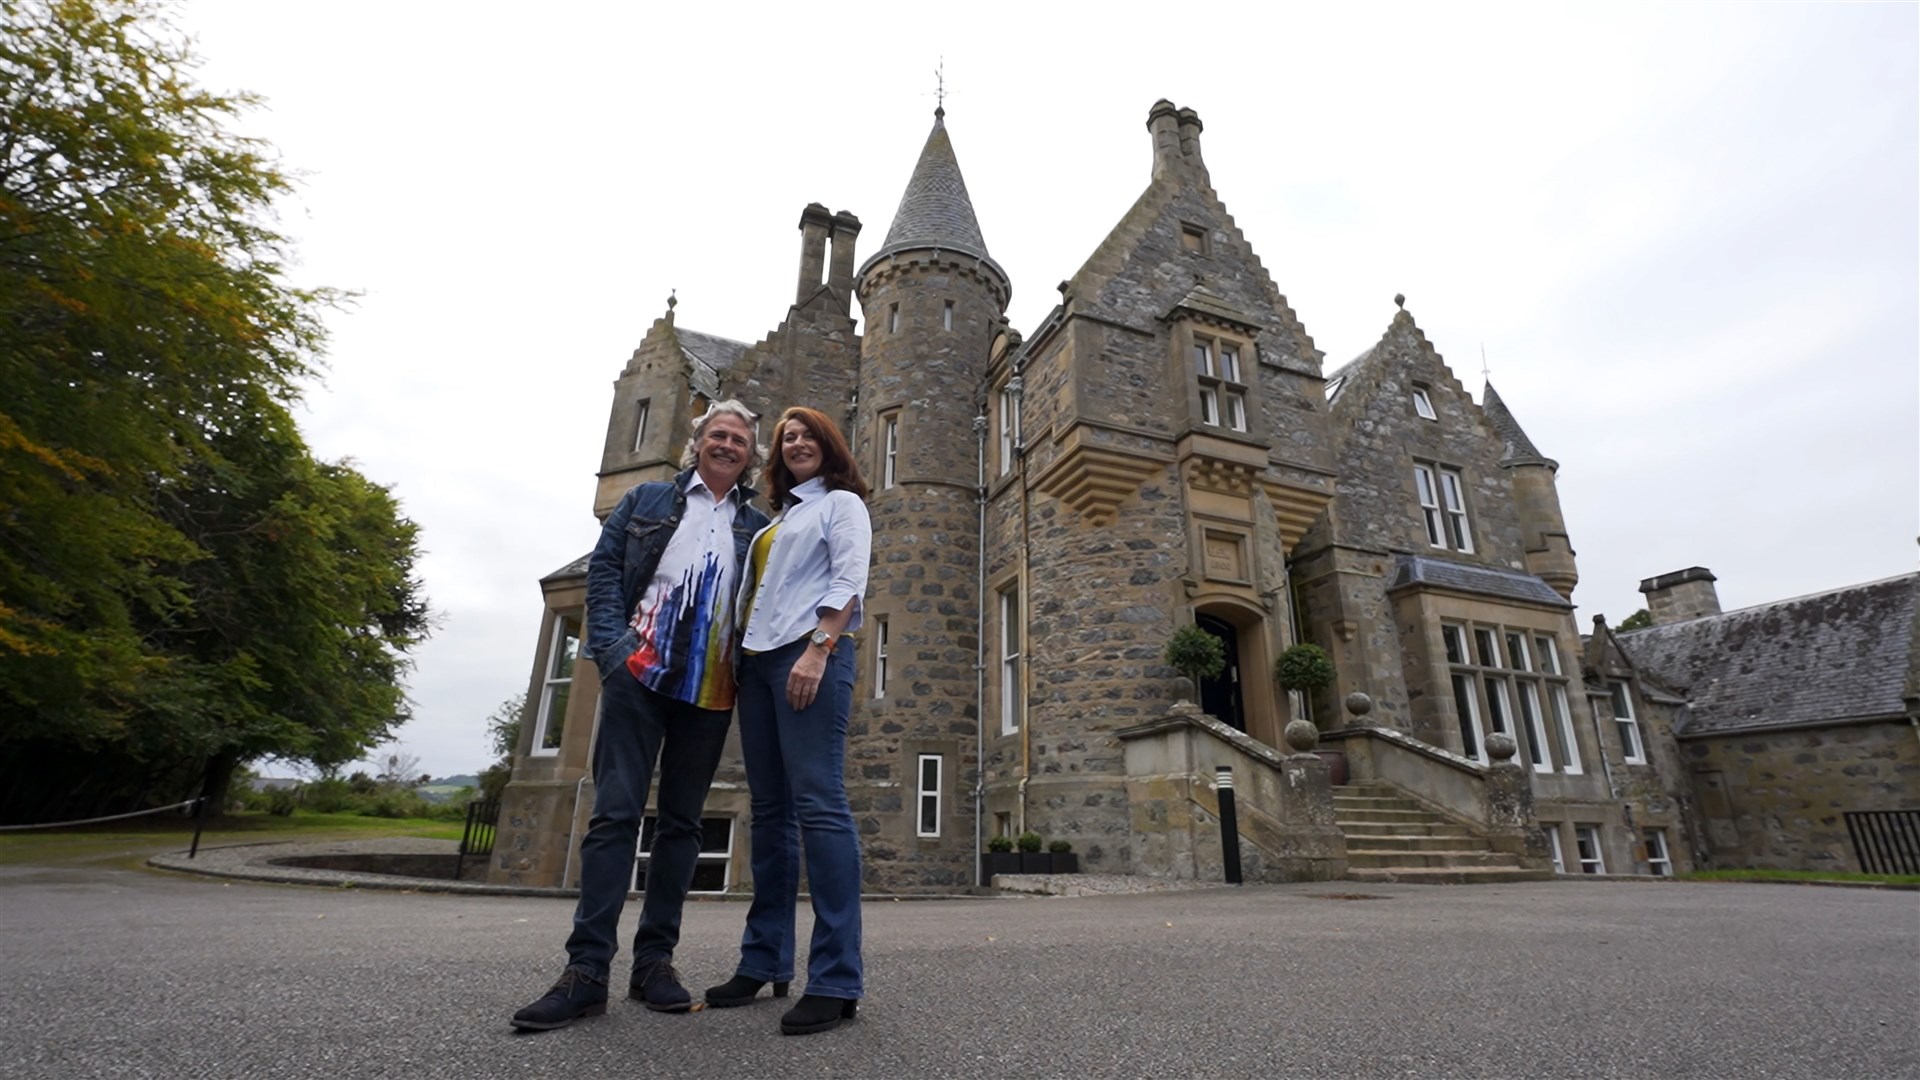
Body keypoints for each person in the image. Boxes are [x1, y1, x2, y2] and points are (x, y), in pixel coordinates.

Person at [512, 400, 770, 1032]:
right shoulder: (647, 501)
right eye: (718, 434)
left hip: (710, 689)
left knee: (681, 826)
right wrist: (613, 647)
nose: (728, 445)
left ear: (750, 455)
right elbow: (603, 572)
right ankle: (586, 972)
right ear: (698, 442)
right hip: (638, 676)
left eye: (739, 439)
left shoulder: (758, 527)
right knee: (615, 816)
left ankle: (654, 964)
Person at [703, 406, 872, 1036]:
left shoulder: (842, 505)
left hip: (811, 655)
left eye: (806, 435)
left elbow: (850, 575)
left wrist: (820, 645)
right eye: (786, 438)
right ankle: (764, 961)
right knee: (770, 814)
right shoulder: (783, 518)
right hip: (758, 663)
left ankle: (834, 979)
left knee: (820, 805)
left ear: (829, 446)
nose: (795, 442)